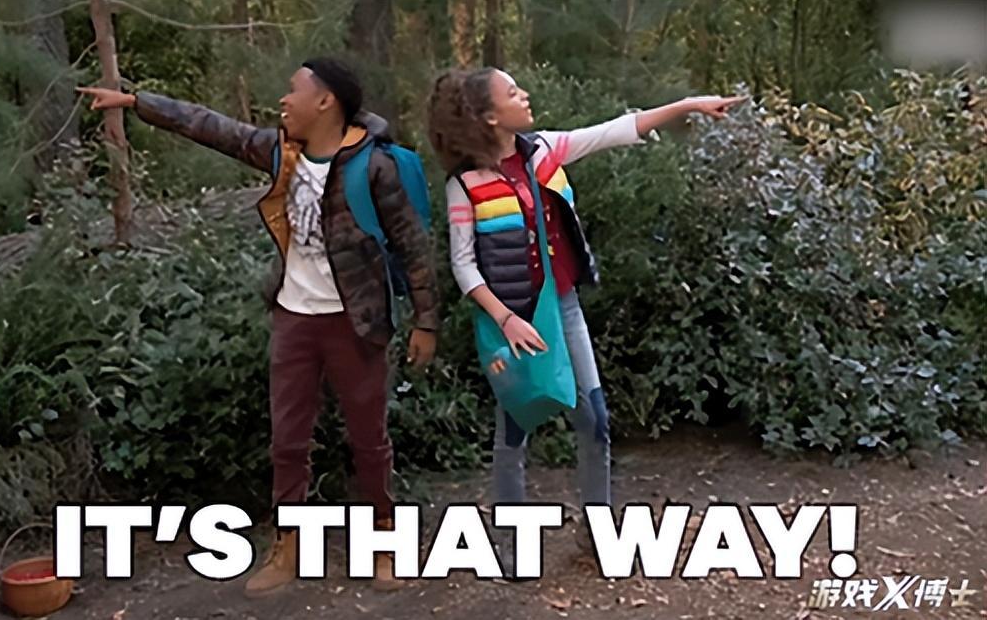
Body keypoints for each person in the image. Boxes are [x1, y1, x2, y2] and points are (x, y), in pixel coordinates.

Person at [79, 57, 439, 595]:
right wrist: (137, 102)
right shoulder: (281, 151)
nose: (284, 101)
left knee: (369, 439)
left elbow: (413, 245)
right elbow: (212, 127)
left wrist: (426, 321)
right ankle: (288, 543)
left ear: (325, 101)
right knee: (287, 440)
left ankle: (384, 539)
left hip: (355, 321)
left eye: (294, 91)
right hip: (294, 318)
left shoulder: (375, 166)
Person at [426, 67, 743, 574]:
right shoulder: (466, 185)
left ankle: (597, 535)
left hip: (564, 307)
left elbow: (617, 129)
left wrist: (687, 105)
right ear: (489, 117)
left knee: (594, 419)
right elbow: (463, 266)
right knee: (516, 426)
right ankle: (511, 543)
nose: (525, 95)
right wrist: (506, 320)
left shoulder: (545, 150)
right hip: (517, 318)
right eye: (512, 92)